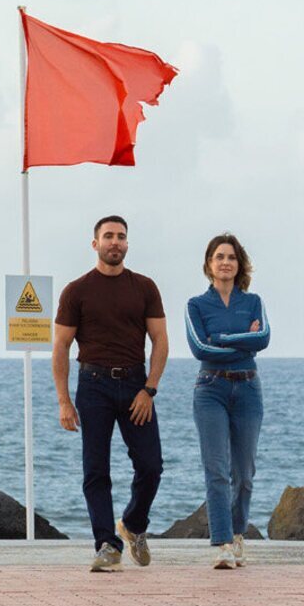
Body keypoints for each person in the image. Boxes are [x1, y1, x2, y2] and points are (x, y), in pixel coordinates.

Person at [52, 215, 169, 572]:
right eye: (108, 236)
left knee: (151, 466)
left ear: (127, 244)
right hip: (94, 386)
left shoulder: (145, 287)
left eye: (120, 237)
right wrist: (64, 400)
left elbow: (160, 341)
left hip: (136, 387)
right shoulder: (77, 290)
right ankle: (107, 544)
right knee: (95, 470)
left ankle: (133, 525)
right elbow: (60, 346)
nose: (114, 242)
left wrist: (149, 389)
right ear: (95, 244)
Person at [184, 233, 270, 570]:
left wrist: (221, 339)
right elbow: (199, 349)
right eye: (219, 257)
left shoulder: (253, 302)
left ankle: (237, 536)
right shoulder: (196, 305)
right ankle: (222, 544)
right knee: (216, 469)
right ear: (208, 264)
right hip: (210, 390)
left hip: (248, 390)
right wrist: (241, 341)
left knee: (244, 472)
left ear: (239, 264)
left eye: (231, 257)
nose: (225, 262)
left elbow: (262, 338)